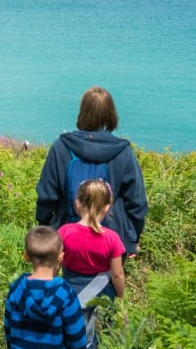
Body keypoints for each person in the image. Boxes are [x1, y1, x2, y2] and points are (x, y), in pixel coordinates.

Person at [36, 86, 147, 257]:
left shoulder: (62, 147)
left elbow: (47, 195)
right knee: (112, 281)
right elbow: (137, 200)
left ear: (82, 112)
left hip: (69, 236)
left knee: (72, 282)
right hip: (112, 238)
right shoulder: (122, 151)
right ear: (111, 114)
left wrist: (46, 228)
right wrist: (132, 238)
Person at [58, 179, 127, 300]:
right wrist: (120, 296)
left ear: (78, 202)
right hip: (101, 294)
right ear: (107, 207)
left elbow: (54, 264)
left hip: (69, 293)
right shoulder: (112, 238)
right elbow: (117, 274)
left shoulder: (64, 232)